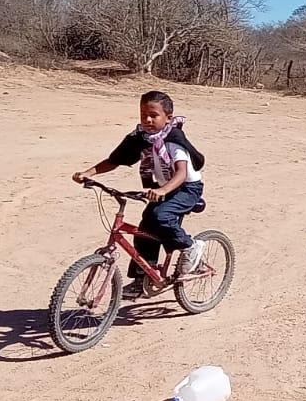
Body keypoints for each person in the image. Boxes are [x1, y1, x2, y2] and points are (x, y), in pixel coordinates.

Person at [72, 91, 206, 300]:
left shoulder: (173, 140)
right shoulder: (140, 138)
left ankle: (190, 246)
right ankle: (142, 278)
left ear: (168, 118)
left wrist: (161, 191)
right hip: (163, 187)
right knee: (144, 230)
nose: (147, 120)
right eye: (143, 114)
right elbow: (115, 159)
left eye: (154, 115)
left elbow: (181, 173)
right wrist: (88, 173)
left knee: (161, 217)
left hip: (187, 188)